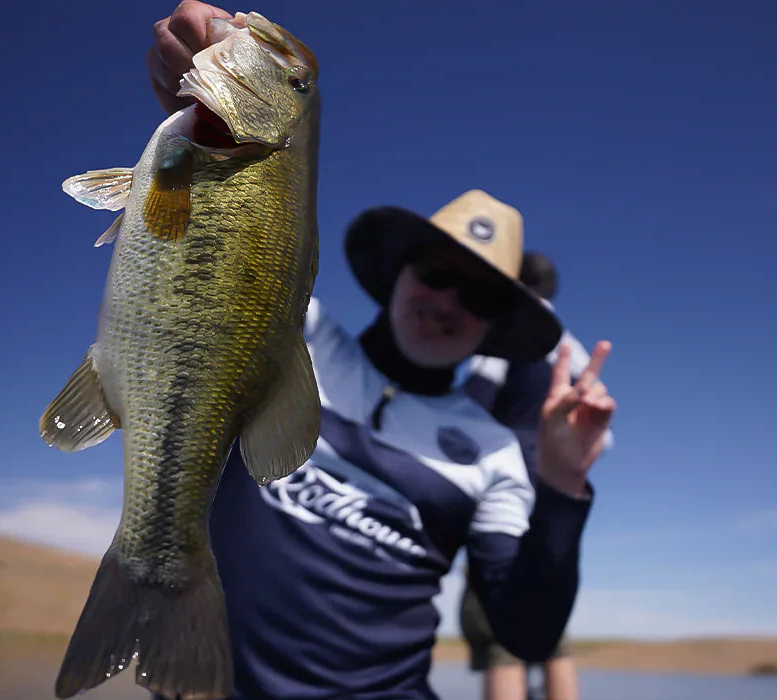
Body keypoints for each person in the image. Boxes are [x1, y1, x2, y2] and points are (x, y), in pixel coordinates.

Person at [142, 4, 618, 698]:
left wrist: (563, 484)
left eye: (480, 297)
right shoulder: (287, 326)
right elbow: (209, 227)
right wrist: (210, 122)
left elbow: (524, 632)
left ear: (497, 327)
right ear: (398, 273)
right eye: (437, 274)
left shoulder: (493, 453)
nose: (449, 304)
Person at [457, 252, 599, 700]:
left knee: (499, 624)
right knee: (549, 618)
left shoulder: (506, 329)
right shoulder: (573, 349)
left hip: (504, 485)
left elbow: (476, 399)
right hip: (556, 486)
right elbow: (600, 433)